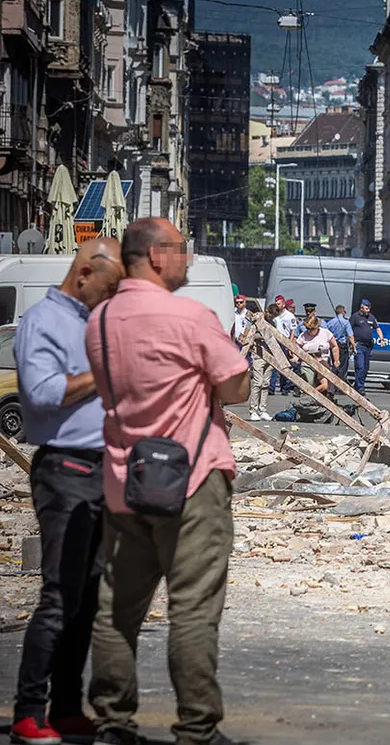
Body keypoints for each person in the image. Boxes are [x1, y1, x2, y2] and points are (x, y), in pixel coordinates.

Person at [84, 217, 249, 745]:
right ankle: (197, 726)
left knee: (116, 608)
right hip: (193, 481)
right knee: (193, 609)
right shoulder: (192, 317)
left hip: (122, 479)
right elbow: (237, 386)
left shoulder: (101, 321)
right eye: (182, 249)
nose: (189, 259)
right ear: (156, 255)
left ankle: (112, 719)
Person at [10, 238, 124, 745]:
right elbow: (42, 393)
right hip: (64, 468)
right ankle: (28, 711)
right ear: (82, 275)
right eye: (109, 287)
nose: (113, 296)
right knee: (59, 594)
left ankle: (66, 705)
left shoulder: (91, 323)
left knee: (87, 595)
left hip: (102, 468)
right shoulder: (42, 323)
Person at [243, 303, 283, 421]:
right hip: (258, 353)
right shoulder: (257, 319)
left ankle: (262, 409)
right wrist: (261, 338)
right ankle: (253, 410)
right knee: (257, 382)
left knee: (266, 383)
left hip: (270, 354)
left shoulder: (273, 323)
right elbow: (249, 334)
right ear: (266, 311)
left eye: (273, 317)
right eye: (270, 315)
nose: (271, 318)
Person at [349, 298, 383, 395]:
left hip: (368, 346)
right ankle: (360, 387)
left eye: (369, 308)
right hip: (358, 345)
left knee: (365, 368)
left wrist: (381, 339)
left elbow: (378, 328)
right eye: (366, 308)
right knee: (359, 366)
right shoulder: (355, 317)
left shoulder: (371, 317)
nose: (368, 310)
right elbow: (349, 331)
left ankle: (358, 385)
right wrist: (352, 344)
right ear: (362, 308)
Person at [295, 314, 338, 387]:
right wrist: (296, 357)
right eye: (307, 328)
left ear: (317, 326)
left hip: (323, 363)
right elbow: (297, 347)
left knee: (324, 385)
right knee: (310, 384)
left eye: (312, 329)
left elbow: (334, 346)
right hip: (307, 364)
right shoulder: (303, 335)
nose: (310, 331)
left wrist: (336, 360)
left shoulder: (326, 333)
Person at [270, 299, 299, 395]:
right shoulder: (275, 315)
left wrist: (290, 344)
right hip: (275, 341)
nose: (277, 305)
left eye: (279, 303)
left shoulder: (289, 316)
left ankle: (285, 387)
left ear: (283, 304)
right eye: (276, 303)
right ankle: (271, 387)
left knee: (285, 365)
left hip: (285, 342)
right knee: (274, 365)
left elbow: (293, 331)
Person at [324, 304, 355, 382]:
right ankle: (339, 384)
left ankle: (332, 383)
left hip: (333, 346)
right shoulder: (346, 322)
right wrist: (354, 347)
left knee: (333, 364)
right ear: (343, 312)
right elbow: (350, 336)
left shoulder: (330, 322)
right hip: (342, 347)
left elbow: (326, 334)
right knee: (342, 366)